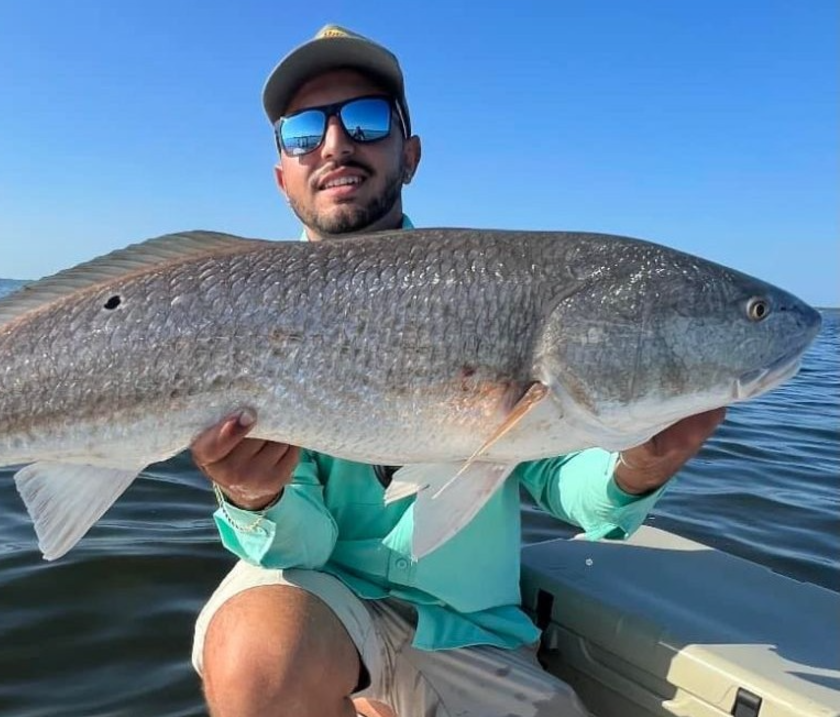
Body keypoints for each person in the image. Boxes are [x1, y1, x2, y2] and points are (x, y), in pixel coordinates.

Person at [187, 24, 726, 717]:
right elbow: (305, 546)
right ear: (281, 175)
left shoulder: (496, 293)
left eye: (365, 118)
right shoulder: (250, 313)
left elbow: (568, 489)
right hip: (318, 603)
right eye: (303, 131)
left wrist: (642, 467)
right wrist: (253, 496)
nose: (335, 144)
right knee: (258, 657)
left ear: (410, 154)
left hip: (472, 634)